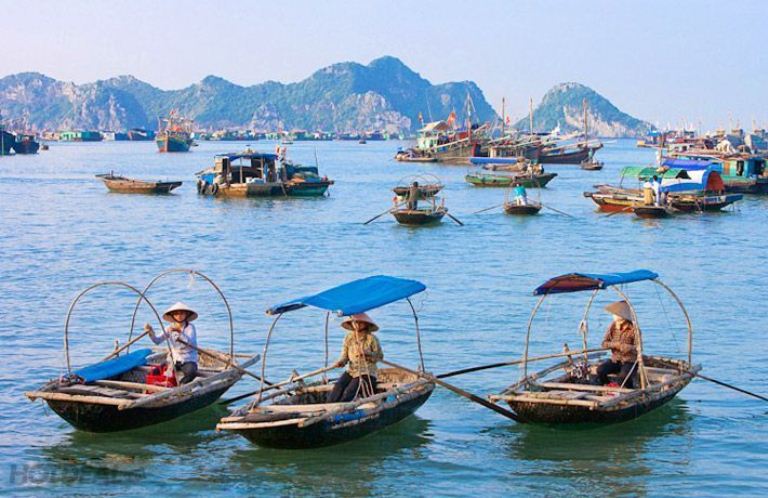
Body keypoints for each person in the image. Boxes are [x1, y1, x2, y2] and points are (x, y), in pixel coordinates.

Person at [327, 313, 383, 403]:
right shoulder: (348, 337)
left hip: (367, 372)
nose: (357, 325)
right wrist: (341, 362)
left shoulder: (371, 339)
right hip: (352, 371)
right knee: (338, 387)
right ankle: (329, 407)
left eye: (360, 323)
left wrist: (367, 354)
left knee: (349, 391)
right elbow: (344, 356)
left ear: (366, 324)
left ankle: (343, 409)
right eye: (354, 322)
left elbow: (379, 357)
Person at [144, 302, 199, 384]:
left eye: (182, 313)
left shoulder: (190, 327)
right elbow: (157, 341)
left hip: (188, 359)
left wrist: (179, 332)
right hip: (175, 359)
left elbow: (189, 342)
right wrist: (151, 333)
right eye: (176, 314)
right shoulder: (169, 328)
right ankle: (160, 385)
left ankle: (181, 386)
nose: (179, 316)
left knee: (191, 372)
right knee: (155, 372)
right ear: (172, 315)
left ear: (186, 314)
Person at [595, 300, 638, 388]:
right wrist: (616, 345)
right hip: (615, 360)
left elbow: (638, 347)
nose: (613, 316)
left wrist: (628, 347)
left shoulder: (634, 330)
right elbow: (604, 343)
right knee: (600, 370)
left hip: (630, 361)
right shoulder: (612, 327)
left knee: (622, 377)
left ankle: (630, 391)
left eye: (616, 314)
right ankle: (607, 385)